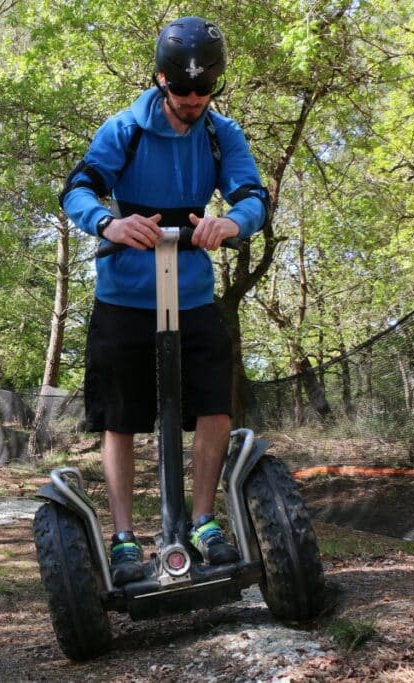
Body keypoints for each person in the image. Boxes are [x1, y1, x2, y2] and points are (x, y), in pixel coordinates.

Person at [59, 17, 270, 585]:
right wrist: (108, 222)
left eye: (206, 89)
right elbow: (76, 188)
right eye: (183, 90)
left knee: (214, 405)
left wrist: (231, 224)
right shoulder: (124, 128)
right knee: (121, 416)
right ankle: (126, 538)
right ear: (161, 81)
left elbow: (254, 196)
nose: (195, 100)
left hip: (193, 290)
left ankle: (203, 522)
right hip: (126, 292)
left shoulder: (221, 134)